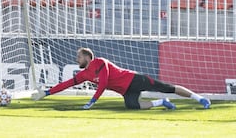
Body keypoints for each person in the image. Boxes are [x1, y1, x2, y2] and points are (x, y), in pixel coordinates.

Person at [32, 47, 211, 110]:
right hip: (125, 91)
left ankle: (200, 98)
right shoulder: (84, 74)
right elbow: (66, 84)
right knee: (132, 106)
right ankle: (161, 103)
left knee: (167, 87)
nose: (76, 59)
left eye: (79, 57)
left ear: (88, 57)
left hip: (133, 79)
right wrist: (46, 92)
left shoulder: (100, 62)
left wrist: (92, 101)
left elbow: (103, 83)